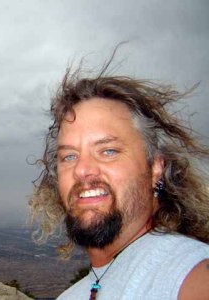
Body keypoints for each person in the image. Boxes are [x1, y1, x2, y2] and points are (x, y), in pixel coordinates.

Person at [29, 55, 209, 300]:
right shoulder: (71, 296)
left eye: (108, 151)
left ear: (155, 167)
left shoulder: (189, 274)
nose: (82, 170)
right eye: (69, 156)